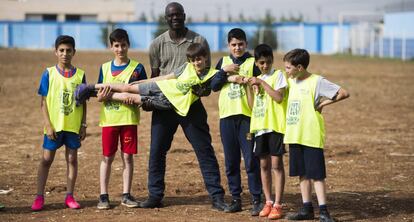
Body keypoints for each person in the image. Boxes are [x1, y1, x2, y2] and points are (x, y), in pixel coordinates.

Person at [141, 2, 227, 210]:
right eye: (171, 15)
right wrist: (149, 102)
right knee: (157, 151)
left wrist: (203, 90)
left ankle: (216, 197)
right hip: (165, 104)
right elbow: (155, 76)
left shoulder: (199, 41)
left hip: (191, 105)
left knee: (204, 150)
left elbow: (206, 74)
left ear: (184, 16)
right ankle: (155, 195)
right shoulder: (157, 44)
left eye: (178, 14)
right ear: (166, 18)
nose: (175, 18)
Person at [283, 49, 349, 222]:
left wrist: (323, 103)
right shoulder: (291, 82)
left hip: (310, 135)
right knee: (302, 173)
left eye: (288, 68)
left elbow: (343, 93)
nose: (286, 71)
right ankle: (306, 208)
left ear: (299, 67)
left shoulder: (317, 81)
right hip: (295, 135)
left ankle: (324, 212)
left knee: (317, 175)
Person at [76, 43, 221, 117]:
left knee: (130, 98)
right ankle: (89, 87)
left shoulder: (211, 74)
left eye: (199, 59)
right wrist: (143, 82)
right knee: (127, 87)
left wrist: (226, 71)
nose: (197, 63)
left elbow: (221, 80)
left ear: (205, 58)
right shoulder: (186, 67)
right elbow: (166, 77)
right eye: (194, 60)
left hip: (167, 102)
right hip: (162, 86)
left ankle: (92, 94)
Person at [210, 28, 262, 216]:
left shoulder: (251, 62)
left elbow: (259, 83)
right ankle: (236, 198)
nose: (237, 47)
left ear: (246, 44)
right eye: (234, 44)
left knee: (250, 160)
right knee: (231, 161)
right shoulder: (223, 62)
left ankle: (257, 199)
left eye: (240, 44)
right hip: (227, 119)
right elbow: (213, 86)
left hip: (247, 118)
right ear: (228, 45)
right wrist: (225, 72)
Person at [31, 35, 87, 211]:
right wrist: (48, 125)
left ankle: (69, 196)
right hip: (54, 126)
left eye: (68, 50)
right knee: (46, 160)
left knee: (72, 159)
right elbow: (43, 102)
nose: (65, 54)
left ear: (74, 52)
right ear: (55, 52)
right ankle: (39, 197)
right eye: (61, 50)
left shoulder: (80, 75)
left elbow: (84, 102)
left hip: (72, 125)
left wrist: (83, 125)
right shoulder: (49, 73)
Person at [94, 28, 147, 210]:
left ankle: (126, 194)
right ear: (111, 47)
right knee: (107, 157)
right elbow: (99, 96)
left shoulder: (138, 68)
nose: (120, 49)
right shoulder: (104, 68)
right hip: (109, 120)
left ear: (128, 45)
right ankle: (103, 196)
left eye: (123, 45)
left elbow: (145, 95)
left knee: (127, 157)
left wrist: (136, 101)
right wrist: (103, 97)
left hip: (128, 120)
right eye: (116, 45)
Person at [247, 44, 287, 219]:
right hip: (260, 127)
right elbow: (251, 106)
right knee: (263, 165)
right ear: (256, 63)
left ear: (272, 60)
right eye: (261, 63)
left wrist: (262, 83)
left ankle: (278, 204)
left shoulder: (278, 75)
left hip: (275, 127)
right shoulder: (257, 79)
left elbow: (279, 97)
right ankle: (268, 201)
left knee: (277, 165)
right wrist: (249, 88)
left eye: (268, 62)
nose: (265, 66)